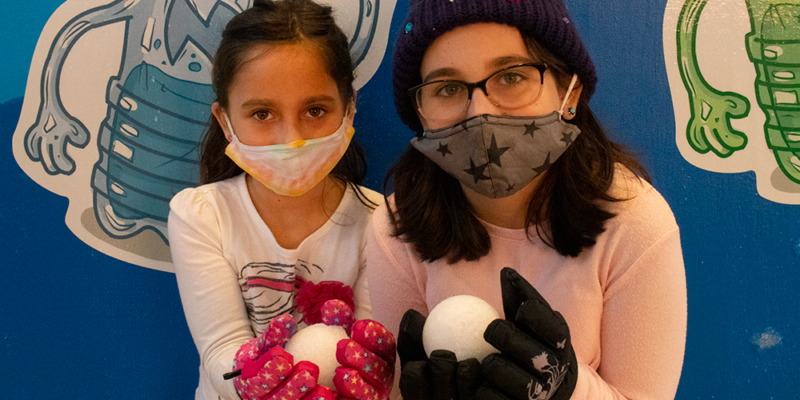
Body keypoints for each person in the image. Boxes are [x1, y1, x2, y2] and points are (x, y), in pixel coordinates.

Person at [366, 0, 687, 399]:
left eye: (512, 77)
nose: (478, 113)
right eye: (447, 88)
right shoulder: (398, 228)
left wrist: (568, 390)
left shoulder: (633, 222)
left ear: (569, 92)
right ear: (420, 112)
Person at [167, 1, 392, 399]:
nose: (292, 140)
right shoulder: (202, 216)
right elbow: (222, 349)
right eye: (262, 114)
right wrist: (259, 386)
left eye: (316, 110)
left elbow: (374, 352)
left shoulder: (381, 221)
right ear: (225, 121)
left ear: (350, 109)